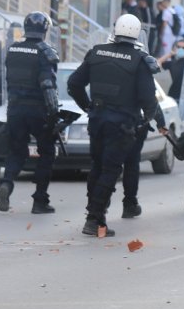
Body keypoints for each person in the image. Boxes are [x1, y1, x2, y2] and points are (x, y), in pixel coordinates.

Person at [68, 14, 162, 237]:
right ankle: (94, 219)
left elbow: (73, 83)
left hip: (97, 120)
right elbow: (149, 98)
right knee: (110, 170)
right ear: (137, 33)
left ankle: (94, 214)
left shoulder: (97, 52)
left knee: (97, 167)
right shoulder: (140, 59)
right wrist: (145, 121)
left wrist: (88, 107)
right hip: (121, 124)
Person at [0, 12, 60, 214]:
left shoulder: (12, 50)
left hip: (15, 109)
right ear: (45, 30)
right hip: (38, 109)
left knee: (16, 151)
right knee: (47, 152)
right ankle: (40, 200)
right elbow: (48, 85)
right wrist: (54, 113)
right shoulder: (46, 52)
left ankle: (6, 184)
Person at [120, 40, 165, 219]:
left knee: (106, 165)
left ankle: (98, 207)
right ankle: (129, 203)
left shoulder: (109, 63)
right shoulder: (140, 63)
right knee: (131, 164)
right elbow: (151, 100)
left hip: (108, 120)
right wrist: (154, 121)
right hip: (133, 123)